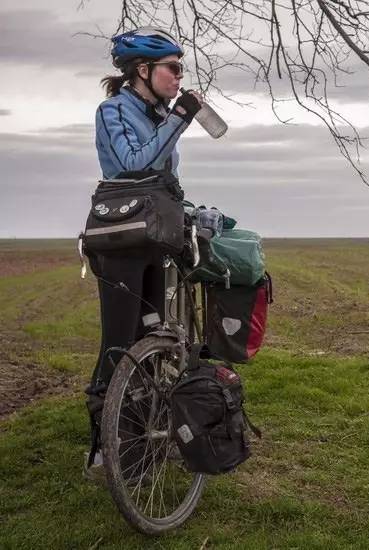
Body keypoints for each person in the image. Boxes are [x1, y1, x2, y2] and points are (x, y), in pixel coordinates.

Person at [84, 27, 203, 480]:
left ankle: (143, 438)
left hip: (155, 235)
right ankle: (104, 448)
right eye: (172, 68)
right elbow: (134, 164)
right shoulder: (113, 110)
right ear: (142, 70)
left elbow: (163, 179)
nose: (179, 76)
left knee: (154, 333)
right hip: (121, 238)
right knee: (119, 339)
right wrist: (179, 119)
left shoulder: (158, 115)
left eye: (179, 68)